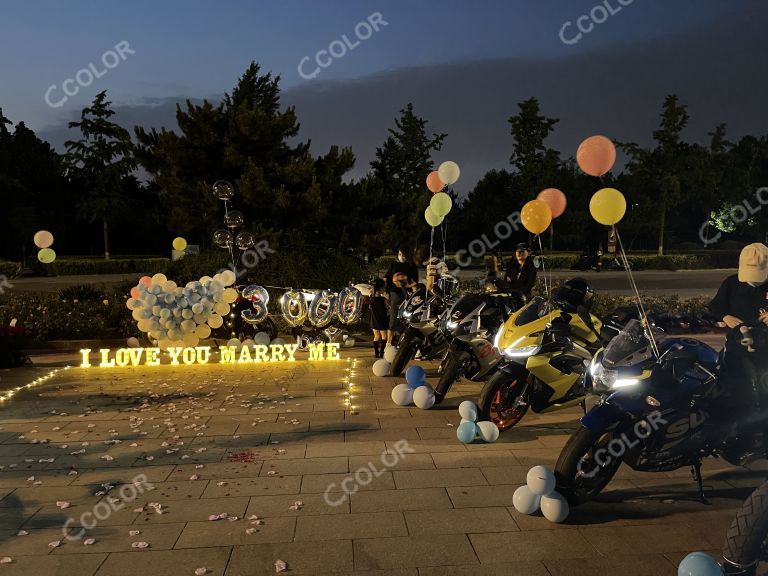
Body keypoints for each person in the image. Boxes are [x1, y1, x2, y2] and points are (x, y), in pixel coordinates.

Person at [709, 243, 768, 420]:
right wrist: (726, 316)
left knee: (764, 392)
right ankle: (740, 432)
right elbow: (715, 306)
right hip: (736, 346)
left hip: (765, 349)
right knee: (737, 389)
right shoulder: (732, 283)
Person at [385, 246, 419, 345]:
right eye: (400, 254)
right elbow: (387, 276)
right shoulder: (394, 263)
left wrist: (408, 285)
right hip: (395, 292)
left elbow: (415, 281)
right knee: (394, 316)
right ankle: (388, 342)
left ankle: (404, 342)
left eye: (403, 254)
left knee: (406, 317)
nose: (401, 256)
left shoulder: (412, 265)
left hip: (407, 294)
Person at [369, 278, 389, 358]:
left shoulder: (371, 298)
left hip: (374, 320)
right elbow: (388, 307)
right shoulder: (383, 300)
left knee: (376, 336)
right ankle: (381, 353)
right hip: (382, 320)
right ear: (381, 289)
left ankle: (376, 353)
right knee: (384, 337)